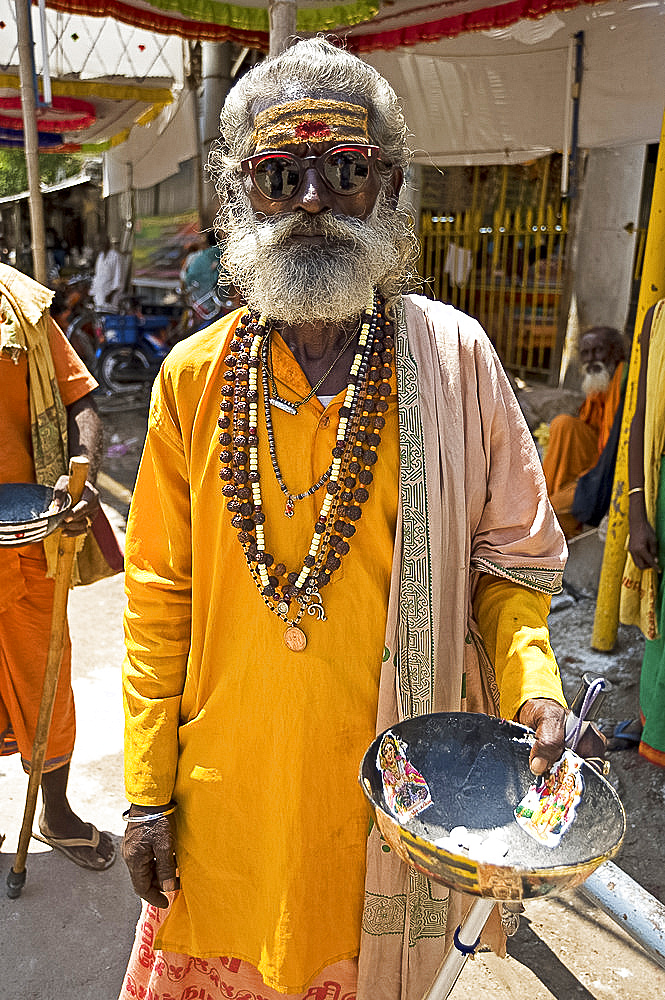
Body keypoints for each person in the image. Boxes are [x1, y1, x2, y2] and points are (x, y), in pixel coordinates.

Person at [118, 39, 603, 1000]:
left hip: (401, 803)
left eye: (341, 170)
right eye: (277, 174)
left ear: (386, 186)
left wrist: (534, 685)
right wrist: (143, 793)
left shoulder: (456, 358)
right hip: (229, 797)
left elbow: (512, 567)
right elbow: (156, 597)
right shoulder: (192, 377)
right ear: (237, 195)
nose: (309, 198)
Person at [0, 262, 116, 870]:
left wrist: (81, 481)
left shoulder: (20, 306)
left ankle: (57, 811)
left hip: (25, 542)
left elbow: (80, 402)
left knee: (47, 678)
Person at [615, 300, 665, 762]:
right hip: (662, 492)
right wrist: (637, 513)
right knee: (661, 619)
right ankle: (655, 724)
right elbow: (641, 419)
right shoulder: (658, 318)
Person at [542, 326, 627, 538]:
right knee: (563, 424)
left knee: (552, 512)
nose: (591, 359)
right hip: (594, 462)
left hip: (611, 468)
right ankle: (543, 496)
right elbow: (589, 430)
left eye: (598, 351)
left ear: (615, 352)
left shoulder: (625, 380)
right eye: (585, 354)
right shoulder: (599, 385)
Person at [181, 229, 236, 330]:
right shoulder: (220, 255)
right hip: (211, 300)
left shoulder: (201, 257)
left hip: (198, 298)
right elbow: (222, 278)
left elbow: (185, 277)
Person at [90, 235, 124, 312]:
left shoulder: (116, 256)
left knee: (110, 318)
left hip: (110, 297)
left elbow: (118, 278)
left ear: (107, 243)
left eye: (99, 243)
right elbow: (97, 276)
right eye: (96, 244)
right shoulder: (100, 256)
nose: (97, 246)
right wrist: (92, 292)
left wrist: (111, 294)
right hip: (99, 296)